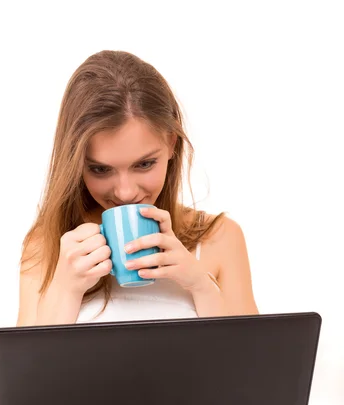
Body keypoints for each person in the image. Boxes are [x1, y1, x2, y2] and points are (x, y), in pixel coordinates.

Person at [16, 50, 259, 327]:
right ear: (76, 163)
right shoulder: (45, 244)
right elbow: (29, 370)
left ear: (171, 143)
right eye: (100, 169)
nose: (125, 192)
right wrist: (65, 290)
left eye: (144, 164)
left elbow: (257, 365)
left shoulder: (221, 238)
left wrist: (200, 285)